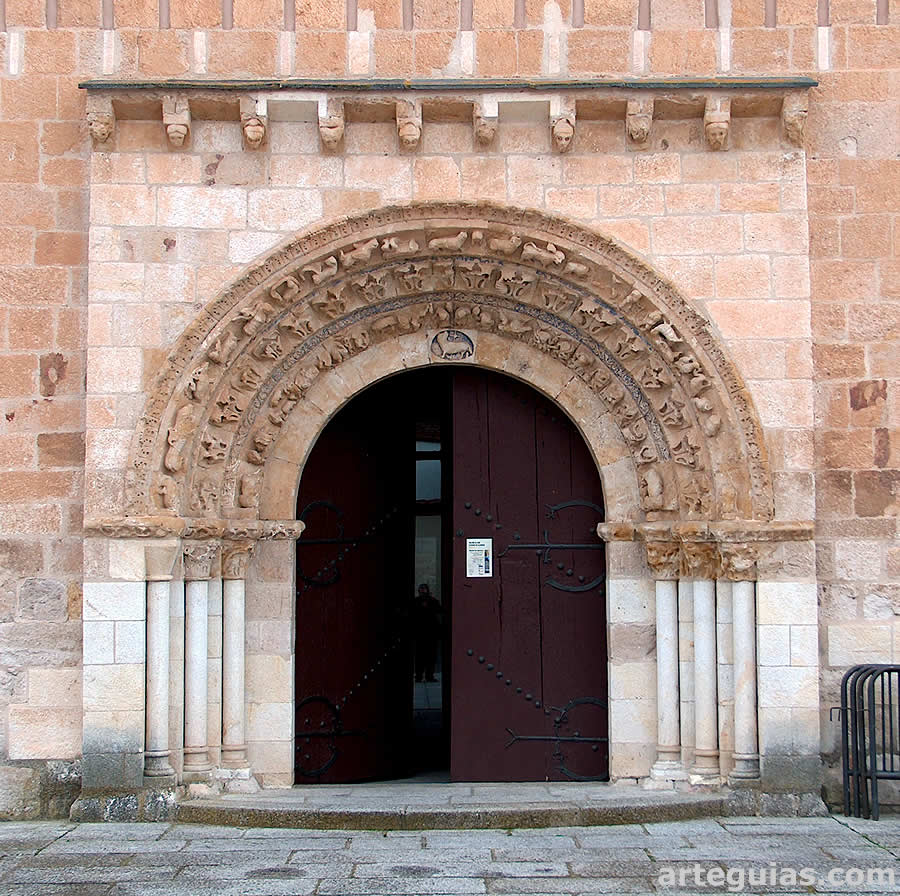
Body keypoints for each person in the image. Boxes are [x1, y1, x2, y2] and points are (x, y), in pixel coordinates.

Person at [413, 583, 442, 683]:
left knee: (424, 657)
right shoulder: (433, 601)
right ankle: (424, 676)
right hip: (427, 634)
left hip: (425, 634)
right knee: (425, 657)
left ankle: (422, 676)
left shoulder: (417, 602)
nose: (422, 591)